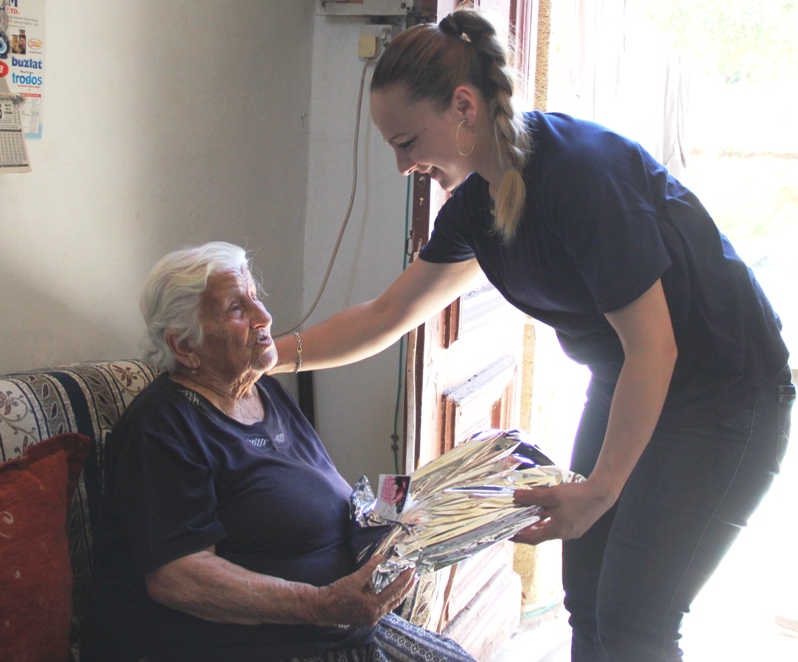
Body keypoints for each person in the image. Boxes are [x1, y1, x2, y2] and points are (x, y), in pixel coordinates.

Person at [271, 10, 793, 662]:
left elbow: (654, 348)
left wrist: (600, 490)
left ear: (463, 106)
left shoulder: (582, 175)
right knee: (588, 599)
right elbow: (385, 316)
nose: (403, 165)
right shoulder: (475, 208)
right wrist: (269, 359)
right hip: (627, 381)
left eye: (406, 141)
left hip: (724, 396)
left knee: (635, 617)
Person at [80, 242, 478, 662]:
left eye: (255, 296)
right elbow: (180, 577)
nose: (265, 316)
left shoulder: (262, 388)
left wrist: (414, 507)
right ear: (183, 347)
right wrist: (320, 604)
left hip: (337, 632)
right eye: (236, 308)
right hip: (258, 647)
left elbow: (329, 499)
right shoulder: (163, 427)